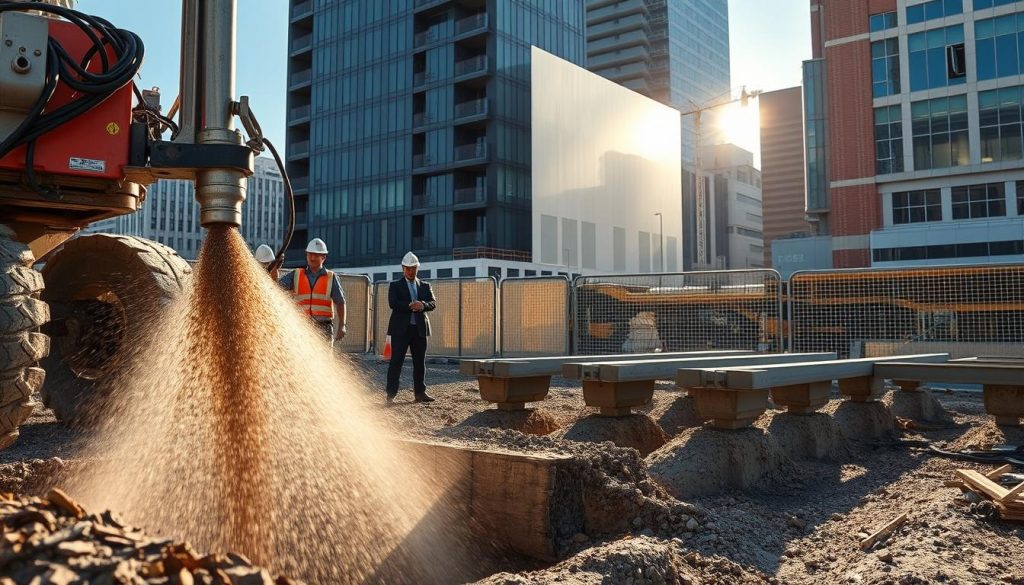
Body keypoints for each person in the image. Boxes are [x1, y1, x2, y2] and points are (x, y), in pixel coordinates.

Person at [385, 251, 436, 404]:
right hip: (400, 331)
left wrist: (423, 305)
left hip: (419, 330)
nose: (410, 271)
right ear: (403, 268)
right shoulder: (395, 286)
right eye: (408, 268)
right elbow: (393, 303)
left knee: (420, 362)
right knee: (396, 362)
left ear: (417, 268)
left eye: (413, 268)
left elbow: (433, 303)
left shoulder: (425, 286)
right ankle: (390, 394)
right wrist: (410, 306)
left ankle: (420, 393)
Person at [279, 238, 346, 346]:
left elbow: (340, 302)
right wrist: (275, 268)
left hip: (323, 328)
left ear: (323, 257)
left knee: (323, 359)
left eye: (316, 255)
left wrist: (342, 325)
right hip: (301, 327)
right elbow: (276, 287)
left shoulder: (331, 277)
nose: (312, 258)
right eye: (309, 254)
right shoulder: (296, 274)